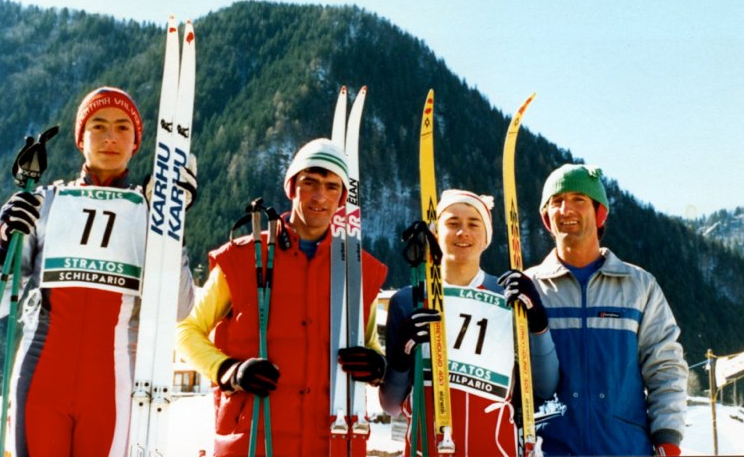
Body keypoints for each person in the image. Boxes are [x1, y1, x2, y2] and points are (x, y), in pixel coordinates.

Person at [0, 86, 196, 457]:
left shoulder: (147, 212)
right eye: (98, 126)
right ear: (80, 138)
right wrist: (4, 247)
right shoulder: (44, 202)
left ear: (136, 143)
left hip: (112, 386)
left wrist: (172, 226)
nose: (110, 138)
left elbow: (179, 309)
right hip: (41, 378)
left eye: (122, 128)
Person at [176, 138, 388, 456]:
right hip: (252, 440)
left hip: (329, 441)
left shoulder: (359, 270)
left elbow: (367, 341)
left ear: (342, 198)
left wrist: (377, 365)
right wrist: (228, 370)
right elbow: (186, 330)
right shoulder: (243, 258)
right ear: (291, 188)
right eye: (310, 183)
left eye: (332, 187)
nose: (320, 196)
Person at [503, 163, 688, 456]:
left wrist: (667, 438)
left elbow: (665, 366)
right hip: (552, 449)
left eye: (579, 199)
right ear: (547, 218)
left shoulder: (638, 285)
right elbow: (512, 375)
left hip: (626, 448)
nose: (566, 210)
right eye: (557, 202)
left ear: (599, 213)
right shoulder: (529, 289)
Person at [380, 189, 559, 457]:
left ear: (486, 237)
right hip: (425, 449)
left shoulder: (509, 299)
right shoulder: (409, 300)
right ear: (436, 233)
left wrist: (538, 325)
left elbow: (546, 386)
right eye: (452, 223)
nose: (463, 232)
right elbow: (391, 405)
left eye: (474, 224)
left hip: (495, 448)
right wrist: (400, 358)